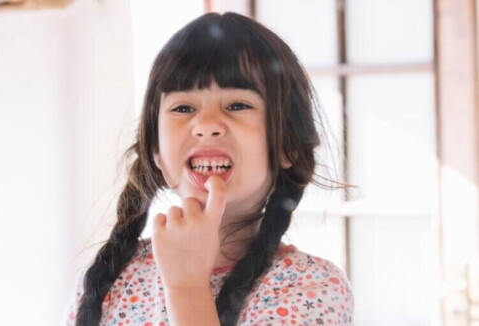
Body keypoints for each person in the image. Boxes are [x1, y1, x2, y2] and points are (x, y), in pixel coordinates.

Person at [66, 12, 354, 326]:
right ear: (156, 153)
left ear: (288, 146)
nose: (205, 126)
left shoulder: (313, 286)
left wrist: (187, 287)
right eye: (183, 108)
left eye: (238, 105)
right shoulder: (104, 281)